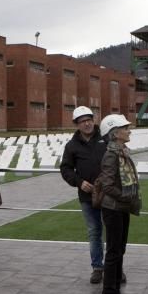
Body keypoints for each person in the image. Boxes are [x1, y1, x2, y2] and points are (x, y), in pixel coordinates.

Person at [94, 114, 141, 294]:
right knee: (114, 252)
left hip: (121, 207)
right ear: (115, 134)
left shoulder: (121, 151)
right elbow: (107, 185)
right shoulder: (112, 155)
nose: (129, 131)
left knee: (119, 250)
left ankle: (114, 292)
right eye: (125, 128)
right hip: (113, 208)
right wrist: (126, 197)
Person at [60, 105, 108, 283]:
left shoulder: (106, 138)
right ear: (77, 125)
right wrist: (79, 183)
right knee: (94, 231)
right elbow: (65, 169)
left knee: (112, 232)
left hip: (109, 194)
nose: (87, 124)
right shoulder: (72, 146)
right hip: (87, 197)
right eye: (82, 121)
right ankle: (97, 267)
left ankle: (115, 267)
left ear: (93, 120)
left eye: (89, 119)